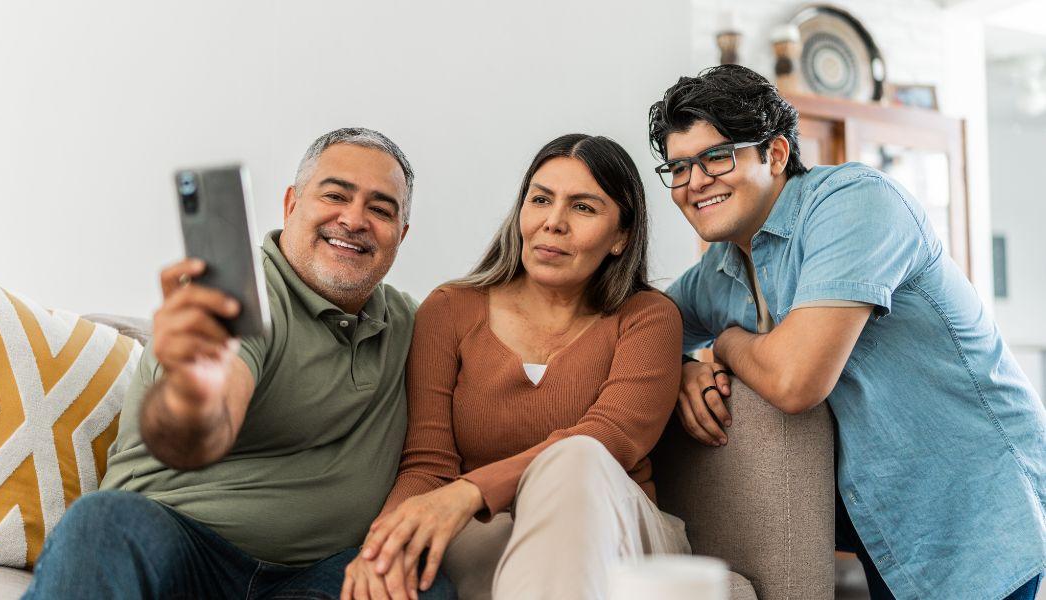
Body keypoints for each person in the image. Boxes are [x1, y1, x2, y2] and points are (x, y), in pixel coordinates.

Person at [651, 65, 1045, 600]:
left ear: (775, 154)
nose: (695, 182)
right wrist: (679, 369)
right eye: (678, 167)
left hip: (974, 511)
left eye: (717, 157)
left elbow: (796, 381)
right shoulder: (717, 271)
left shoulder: (854, 204)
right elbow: (640, 338)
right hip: (879, 521)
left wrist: (722, 344)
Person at [24, 128, 454, 599]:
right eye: (336, 195)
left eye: (380, 208)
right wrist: (194, 392)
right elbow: (200, 430)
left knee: (417, 582)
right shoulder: (240, 293)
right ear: (292, 204)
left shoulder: (415, 326)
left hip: (312, 579)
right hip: (182, 550)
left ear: (402, 234)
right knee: (100, 521)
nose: (354, 219)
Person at [341, 134, 690, 600]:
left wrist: (468, 493)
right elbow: (428, 463)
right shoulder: (449, 310)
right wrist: (381, 546)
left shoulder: (648, 317)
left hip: (619, 531)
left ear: (621, 236)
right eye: (541, 199)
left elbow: (611, 439)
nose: (553, 222)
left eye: (584, 208)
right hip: (492, 534)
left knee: (578, 456)